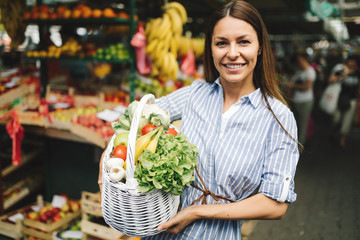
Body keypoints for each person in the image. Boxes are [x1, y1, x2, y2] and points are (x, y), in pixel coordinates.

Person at [98, 1, 300, 239]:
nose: (232, 53)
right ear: (211, 49)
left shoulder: (278, 118)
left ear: (259, 47)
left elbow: (275, 204)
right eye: (221, 43)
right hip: (160, 233)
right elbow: (137, 117)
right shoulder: (195, 93)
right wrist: (109, 157)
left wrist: (196, 212)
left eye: (243, 41)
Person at [328, 55, 360, 149]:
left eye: (353, 61)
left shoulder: (358, 73)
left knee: (347, 120)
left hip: (352, 99)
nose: (351, 63)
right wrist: (344, 74)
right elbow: (331, 80)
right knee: (336, 119)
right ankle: (334, 131)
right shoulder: (341, 70)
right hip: (339, 98)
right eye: (350, 61)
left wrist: (358, 98)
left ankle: (342, 139)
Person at [286, 52, 317, 145]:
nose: (299, 63)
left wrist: (292, 85)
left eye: (300, 61)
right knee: (297, 123)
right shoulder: (299, 71)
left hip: (305, 101)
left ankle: (300, 145)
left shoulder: (310, 71)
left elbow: (307, 86)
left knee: (303, 124)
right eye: (298, 61)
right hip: (296, 100)